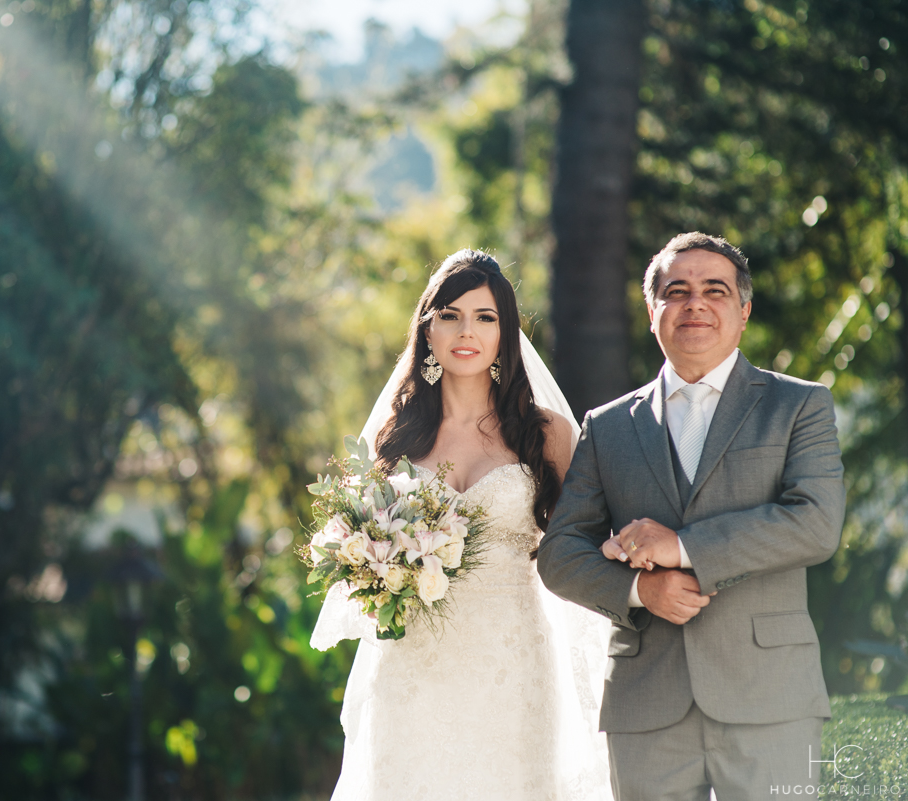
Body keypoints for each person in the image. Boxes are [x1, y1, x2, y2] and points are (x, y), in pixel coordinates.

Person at [536, 232, 845, 801]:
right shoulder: (607, 426)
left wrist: (681, 547)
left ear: (743, 310)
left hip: (770, 699)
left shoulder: (799, 405)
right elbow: (560, 555)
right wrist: (639, 590)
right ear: (651, 312)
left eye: (715, 290)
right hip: (645, 705)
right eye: (676, 291)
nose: (695, 303)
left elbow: (816, 523)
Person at [311, 249, 613, 801]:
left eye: (485, 317)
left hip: (513, 663)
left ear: (505, 333)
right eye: (450, 315)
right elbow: (357, 551)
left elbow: (580, 547)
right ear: (428, 330)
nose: (466, 331)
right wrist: (374, 565)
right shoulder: (394, 438)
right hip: (411, 667)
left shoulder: (547, 434)